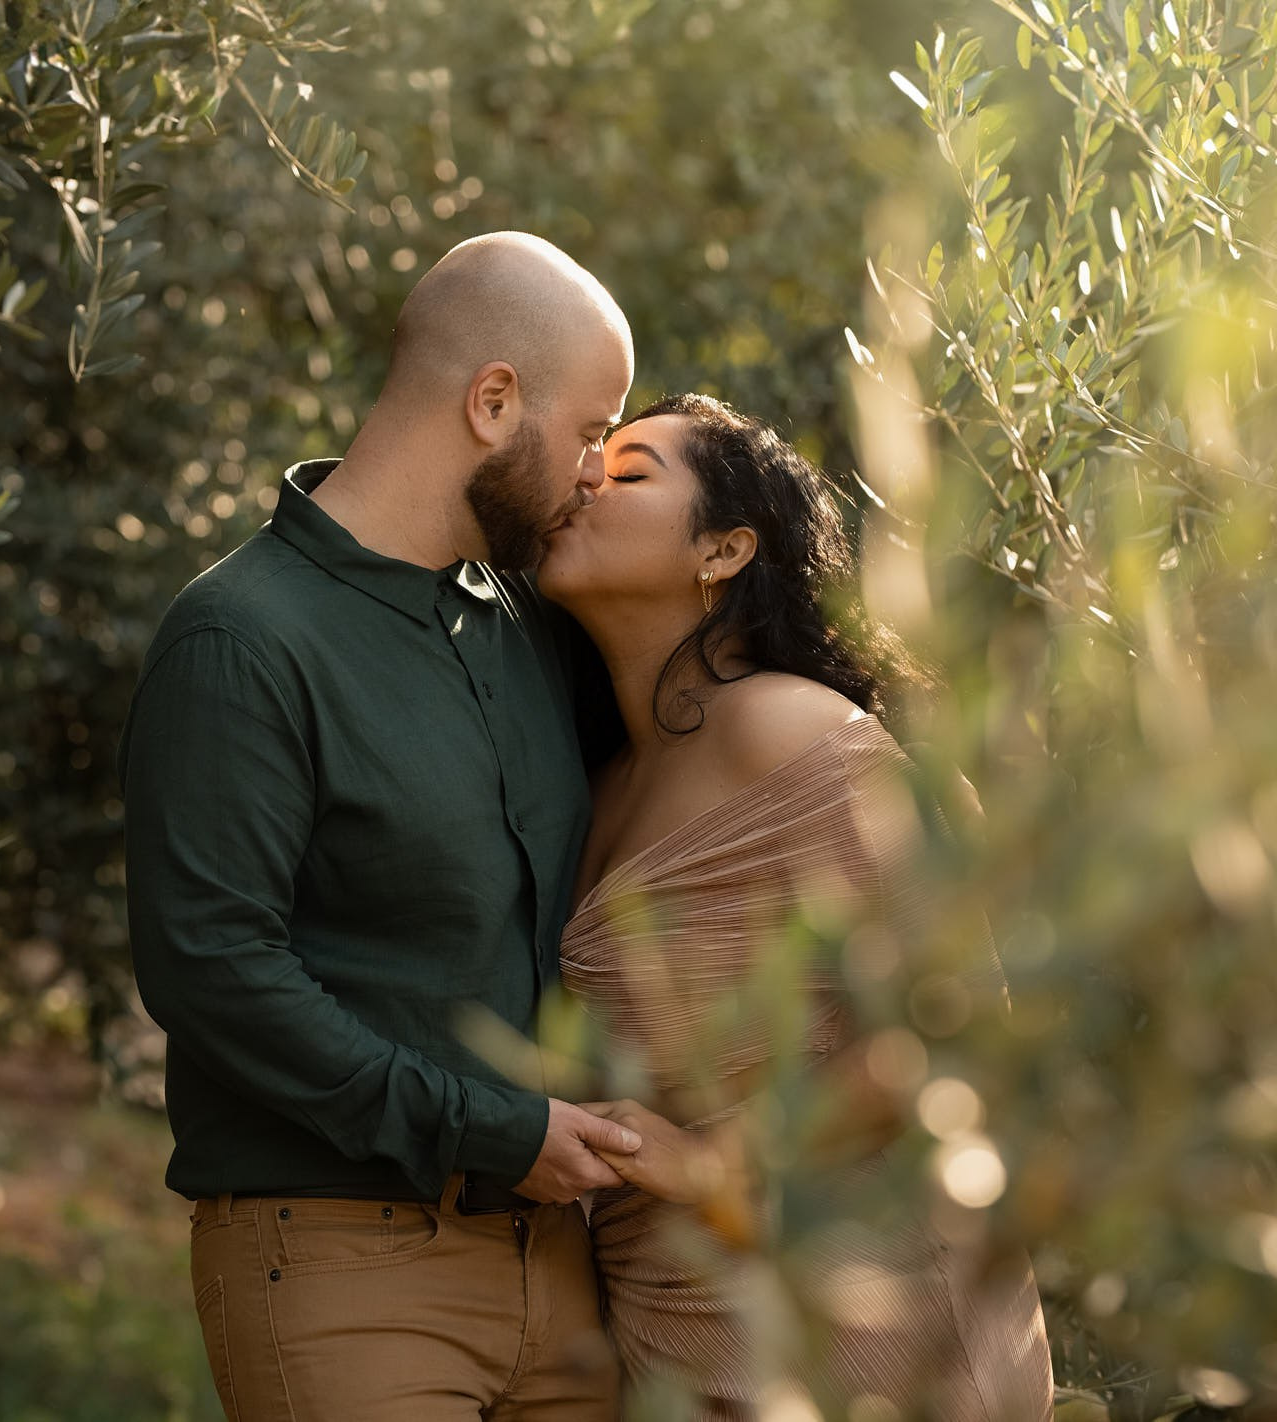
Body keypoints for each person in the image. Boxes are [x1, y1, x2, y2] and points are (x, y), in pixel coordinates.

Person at [121, 232, 643, 1421]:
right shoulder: (240, 640)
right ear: (491, 401)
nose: (597, 470)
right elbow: (212, 970)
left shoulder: (524, 624)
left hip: (561, 1276)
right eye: (588, 428)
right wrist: (491, 1128)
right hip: (338, 1264)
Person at [536, 393, 1054, 1420]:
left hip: (861, 1322)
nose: (589, 476)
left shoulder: (790, 732)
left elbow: (950, 1025)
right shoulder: (596, 786)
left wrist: (710, 1158)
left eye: (631, 471)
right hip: (675, 1327)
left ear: (723, 552)